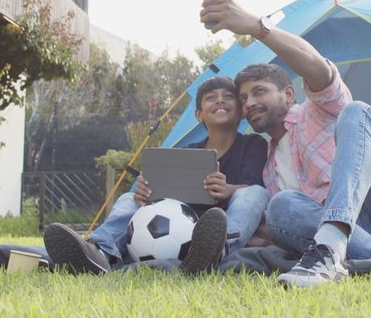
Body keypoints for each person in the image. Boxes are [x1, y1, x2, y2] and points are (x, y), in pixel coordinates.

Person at [201, 0, 371, 288]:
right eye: (243, 99)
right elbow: (288, 221)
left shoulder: (319, 111)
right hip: (361, 243)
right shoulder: (268, 169)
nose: (249, 103)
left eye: (259, 91)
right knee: (281, 206)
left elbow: (317, 67)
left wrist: (257, 27)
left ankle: (331, 244)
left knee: (358, 112)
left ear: (289, 95)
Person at [43, 75, 269, 275]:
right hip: (182, 225)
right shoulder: (185, 153)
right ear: (199, 115)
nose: (220, 100)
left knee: (256, 193)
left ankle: (218, 253)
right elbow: (161, 198)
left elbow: (254, 190)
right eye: (211, 97)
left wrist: (228, 189)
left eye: (228, 96)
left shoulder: (253, 144)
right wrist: (145, 193)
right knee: (128, 198)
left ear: (240, 111)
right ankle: (100, 251)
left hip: (218, 230)